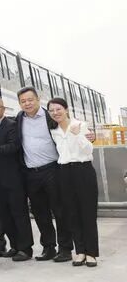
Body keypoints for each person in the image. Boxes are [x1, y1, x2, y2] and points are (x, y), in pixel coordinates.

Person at [15, 87, 73, 262]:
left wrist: (88, 135)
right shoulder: (19, 118)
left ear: (38, 99)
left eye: (30, 99)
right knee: (40, 213)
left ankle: (65, 248)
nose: (27, 103)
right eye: (23, 101)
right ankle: (49, 247)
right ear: (19, 103)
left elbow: (68, 126)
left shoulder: (50, 115)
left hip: (52, 170)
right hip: (31, 173)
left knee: (60, 210)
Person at [47, 97, 99, 267]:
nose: (55, 113)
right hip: (64, 172)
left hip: (83, 170)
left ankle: (91, 253)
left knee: (88, 213)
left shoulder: (80, 125)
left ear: (66, 109)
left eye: (58, 109)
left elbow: (88, 149)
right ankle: (80, 251)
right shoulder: (53, 130)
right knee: (72, 213)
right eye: (52, 110)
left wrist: (77, 135)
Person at [0, 96, 33, 261]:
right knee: (4, 214)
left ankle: (26, 249)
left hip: (13, 177)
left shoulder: (11, 125)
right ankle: (15, 246)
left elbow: (14, 146)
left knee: (19, 213)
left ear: (3, 109)